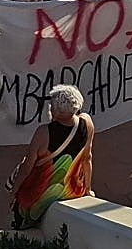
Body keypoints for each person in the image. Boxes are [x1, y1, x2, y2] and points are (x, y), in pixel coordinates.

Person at [9, 83, 94, 230]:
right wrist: (87, 189)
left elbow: (28, 166)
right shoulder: (87, 122)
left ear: (56, 110)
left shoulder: (43, 132)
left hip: (40, 195)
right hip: (72, 191)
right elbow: (87, 158)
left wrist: (15, 190)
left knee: (22, 218)